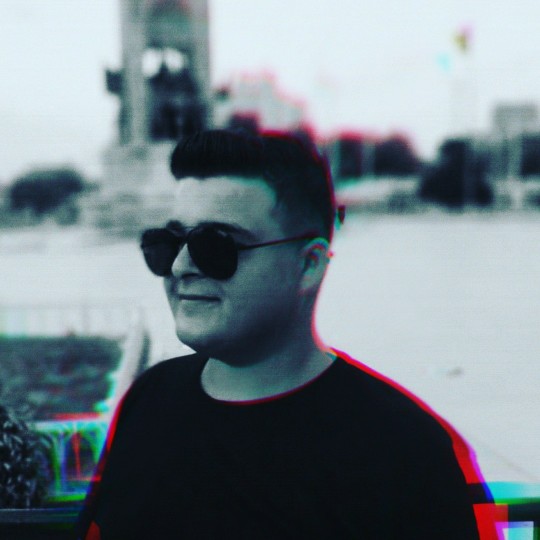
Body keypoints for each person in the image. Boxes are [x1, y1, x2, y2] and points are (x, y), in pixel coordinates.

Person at [76, 129, 498, 539]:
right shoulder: (147, 401)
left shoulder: (409, 453)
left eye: (216, 245)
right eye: (169, 243)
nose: (180, 266)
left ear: (308, 265)